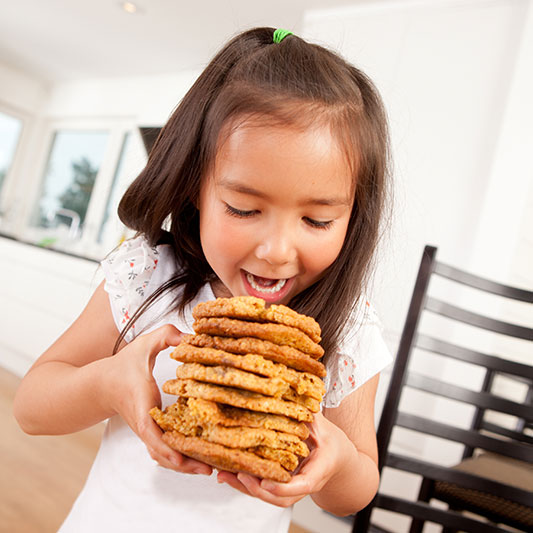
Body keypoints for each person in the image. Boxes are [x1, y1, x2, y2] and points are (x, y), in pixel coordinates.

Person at [14, 27, 392, 533]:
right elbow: (32, 407)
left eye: (317, 220)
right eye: (243, 208)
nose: (277, 251)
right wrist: (107, 384)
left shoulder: (349, 329)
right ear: (195, 187)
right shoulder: (149, 276)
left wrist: (337, 461)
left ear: (353, 216)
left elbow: (357, 489)